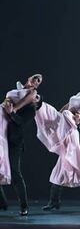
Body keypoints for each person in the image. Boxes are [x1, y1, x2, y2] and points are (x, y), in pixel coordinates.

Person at [0, 74, 43, 216]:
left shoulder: (31, 109)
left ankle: (24, 206)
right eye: (36, 77)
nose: (37, 80)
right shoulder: (16, 92)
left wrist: (11, 112)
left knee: (15, 172)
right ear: (29, 78)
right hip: (2, 133)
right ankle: (2, 203)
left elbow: (19, 122)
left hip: (14, 141)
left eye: (39, 81)